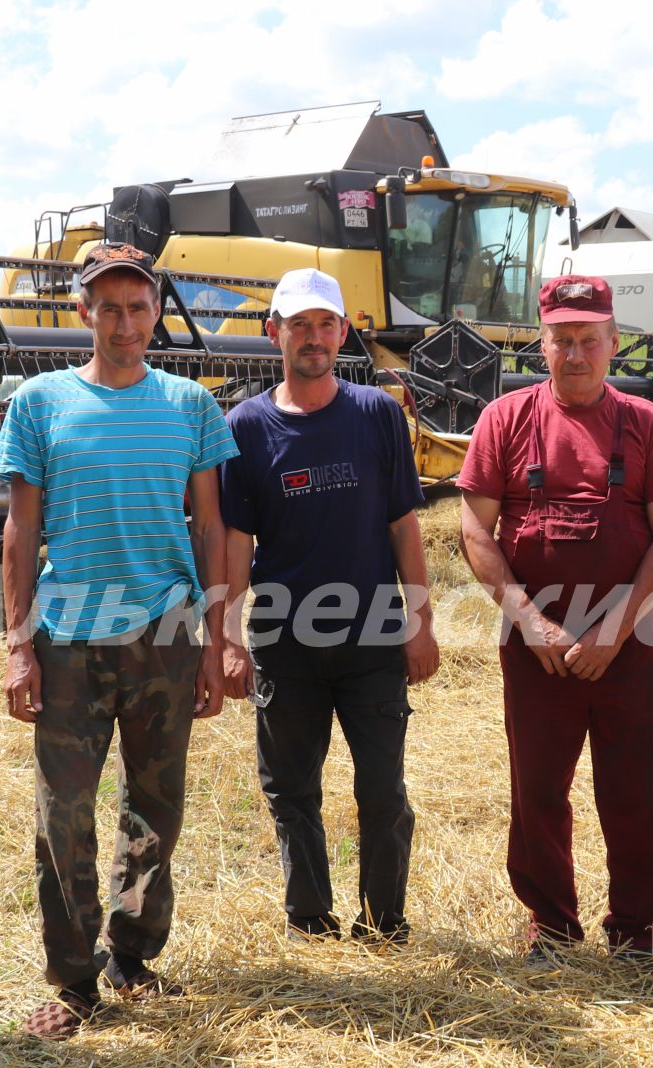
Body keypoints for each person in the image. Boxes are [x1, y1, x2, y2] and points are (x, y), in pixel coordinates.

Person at [0, 242, 238, 1040]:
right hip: (68, 642)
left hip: (166, 638)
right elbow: (20, 530)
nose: (124, 322)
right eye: (108, 307)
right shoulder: (40, 404)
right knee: (63, 817)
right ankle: (72, 980)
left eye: (138, 307)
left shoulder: (190, 406)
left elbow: (210, 526)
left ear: (156, 312)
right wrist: (18, 645)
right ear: (81, 312)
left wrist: (215, 637)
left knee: (155, 810)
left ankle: (132, 953)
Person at [458, 275, 653, 976]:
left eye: (590, 339)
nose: (576, 352)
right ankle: (552, 930)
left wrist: (614, 630)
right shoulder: (505, 419)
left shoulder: (648, 425)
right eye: (562, 339)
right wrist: (532, 624)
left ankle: (636, 933)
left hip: (629, 644)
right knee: (537, 791)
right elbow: (474, 529)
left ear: (614, 343)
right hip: (536, 649)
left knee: (638, 788)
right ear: (543, 344)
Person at [217, 268, 438, 945]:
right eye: (298, 325)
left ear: (344, 333)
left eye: (325, 325)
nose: (312, 338)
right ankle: (309, 918)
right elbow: (233, 539)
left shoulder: (376, 414)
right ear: (272, 332)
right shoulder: (245, 427)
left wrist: (421, 622)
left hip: (372, 636)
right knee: (291, 789)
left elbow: (404, 524)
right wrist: (229, 638)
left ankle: (383, 922)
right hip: (284, 638)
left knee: (382, 791)